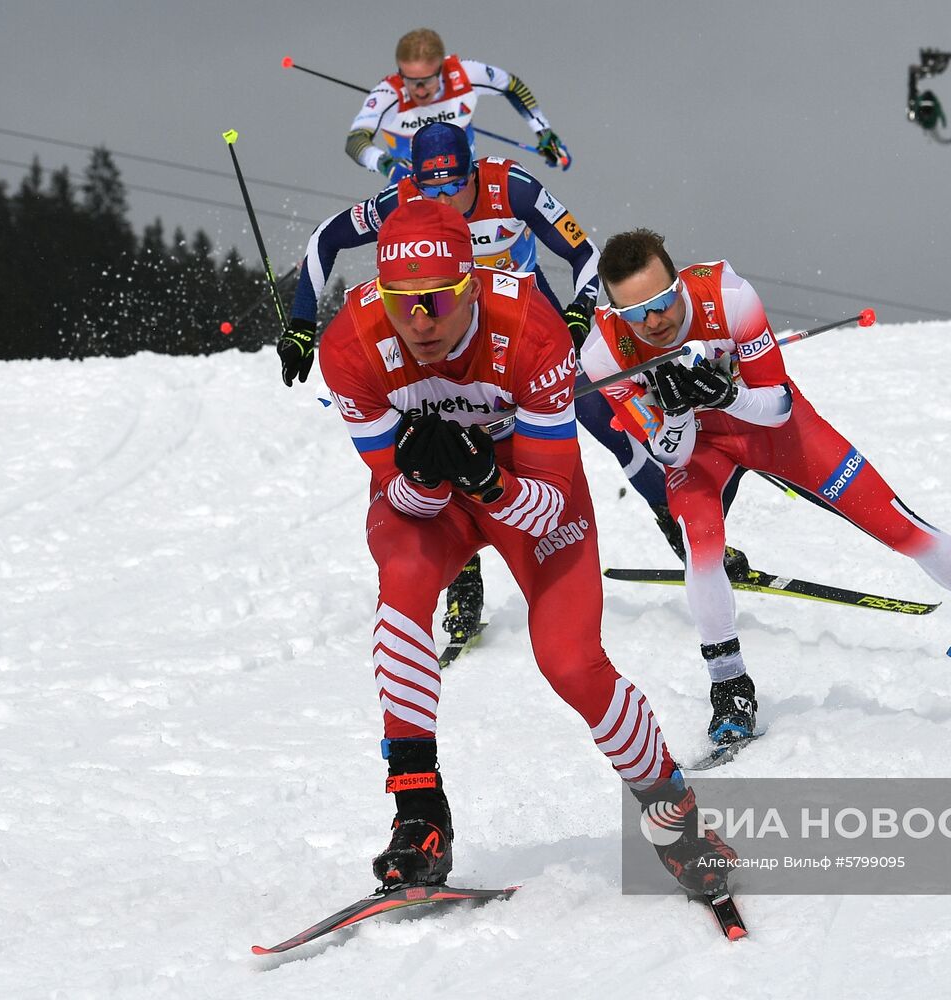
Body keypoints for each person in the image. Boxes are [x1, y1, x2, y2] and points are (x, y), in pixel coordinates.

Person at [315, 198, 734, 897]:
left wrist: (486, 480)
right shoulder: (350, 346)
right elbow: (403, 503)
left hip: (525, 487)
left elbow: (542, 509)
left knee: (570, 662)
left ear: (471, 284)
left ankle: (675, 820)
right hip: (440, 496)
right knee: (402, 593)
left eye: (438, 300)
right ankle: (419, 816)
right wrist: (420, 477)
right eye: (399, 301)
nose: (419, 321)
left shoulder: (532, 330)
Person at [580, 229, 951, 746]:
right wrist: (680, 410)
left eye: (663, 301)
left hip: (772, 428)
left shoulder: (727, 296)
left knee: (895, 523)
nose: (653, 321)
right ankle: (729, 685)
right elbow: (673, 454)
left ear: (678, 282)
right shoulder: (606, 352)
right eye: (635, 312)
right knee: (702, 550)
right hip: (702, 451)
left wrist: (725, 394)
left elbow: (777, 406)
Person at [282, 122, 741, 643]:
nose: (443, 199)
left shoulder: (511, 187)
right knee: (436, 442)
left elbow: (584, 254)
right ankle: (463, 578)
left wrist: (576, 314)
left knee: (602, 417)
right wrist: (300, 322)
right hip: (444, 345)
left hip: (527, 335)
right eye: (429, 188)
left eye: (453, 185)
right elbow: (326, 237)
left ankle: (674, 519)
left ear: (472, 170)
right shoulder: (398, 201)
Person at [346, 27, 570, 184]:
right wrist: (386, 165)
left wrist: (543, 131)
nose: (419, 90)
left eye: (426, 81)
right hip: (413, 186)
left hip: (465, 182)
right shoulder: (388, 93)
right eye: (410, 80)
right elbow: (355, 141)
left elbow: (512, 86)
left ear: (441, 70)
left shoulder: (465, 75)